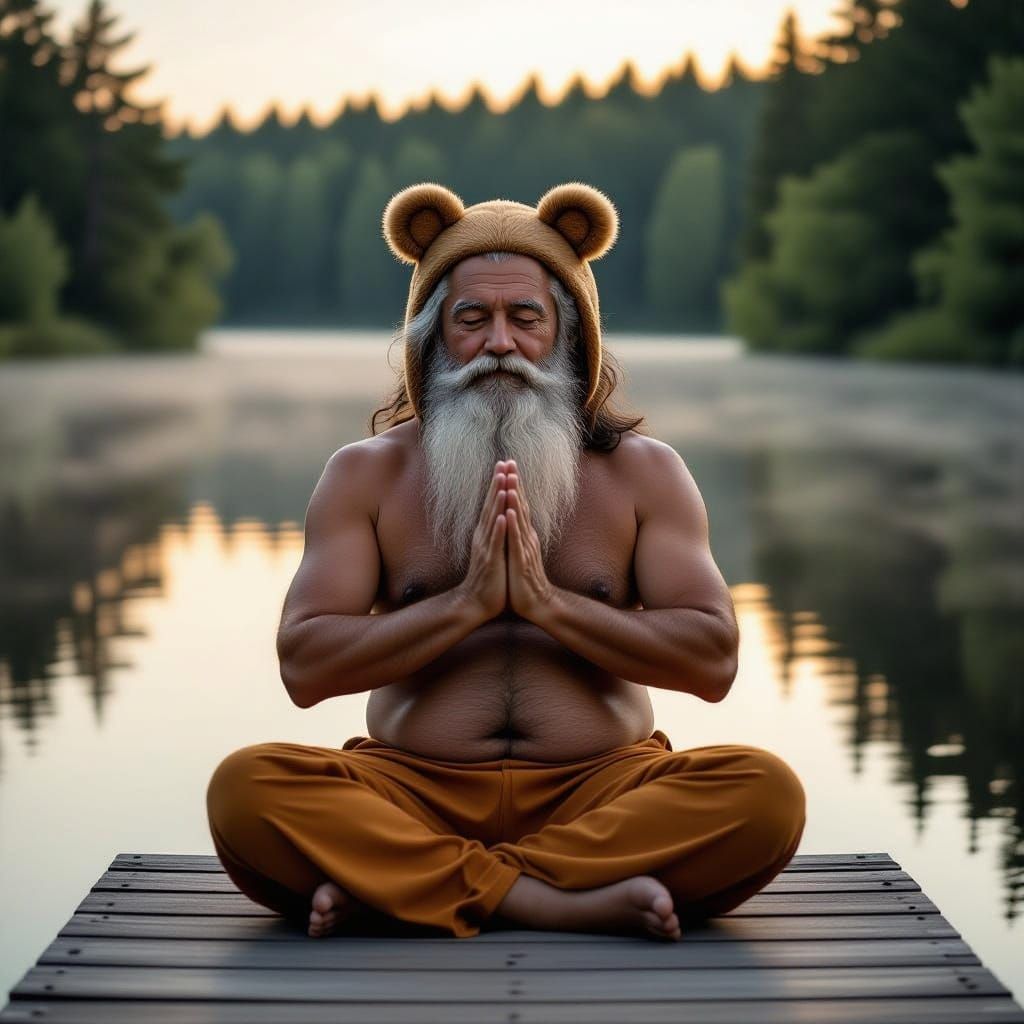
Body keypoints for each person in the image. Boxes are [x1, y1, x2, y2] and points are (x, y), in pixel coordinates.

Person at [206, 181, 806, 942]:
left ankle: (409, 884)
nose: (499, 343)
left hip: (603, 792)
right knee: (246, 789)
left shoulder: (645, 473)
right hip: (410, 792)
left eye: (525, 318)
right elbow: (305, 665)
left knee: (764, 795)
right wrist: (464, 607)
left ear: (568, 334)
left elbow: (712, 660)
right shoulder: (365, 475)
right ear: (430, 336)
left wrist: (551, 606)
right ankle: (547, 897)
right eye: (471, 319)